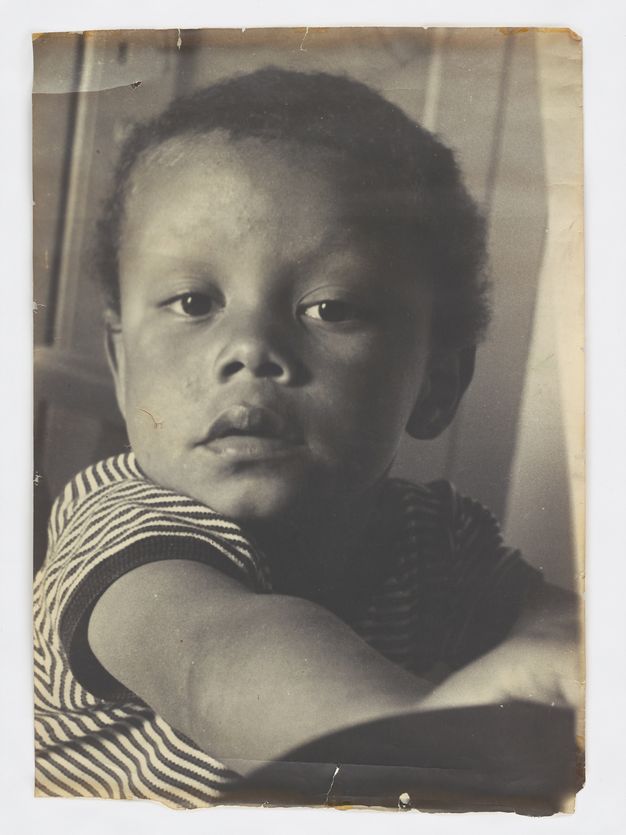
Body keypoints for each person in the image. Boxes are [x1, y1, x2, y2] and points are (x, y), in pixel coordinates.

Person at [33, 67, 580, 810]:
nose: (251, 348)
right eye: (195, 302)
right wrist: (422, 733)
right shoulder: (126, 529)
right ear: (123, 364)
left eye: (330, 307)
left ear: (437, 381)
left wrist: (574, 658)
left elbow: (548, 620)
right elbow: (217, 660)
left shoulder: (434, 537)